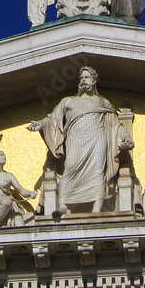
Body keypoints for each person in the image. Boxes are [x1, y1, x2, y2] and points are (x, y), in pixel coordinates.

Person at [27, 65, 133, 214]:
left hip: (97, 139)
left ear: (94, 80)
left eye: (87, 77)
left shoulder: (103, 102)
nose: (83, 80)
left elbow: (114, 122)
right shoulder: (68, 101)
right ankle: (64, 205)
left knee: (97, 171)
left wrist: (125, 138)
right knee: (70, 167)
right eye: (81, 77)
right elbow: (54, 120)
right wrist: (41, 124)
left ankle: (97, 206)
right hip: (75, 139)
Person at [0, 150, 36, 228]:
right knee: (7, 201)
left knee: (20, 225)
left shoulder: (9, 176)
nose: (4, 156)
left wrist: (31, 193)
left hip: (9, 205)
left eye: (4, 155)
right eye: (1, 155)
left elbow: (22, 191)